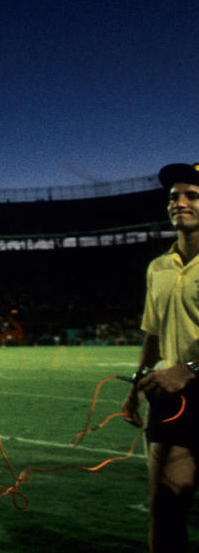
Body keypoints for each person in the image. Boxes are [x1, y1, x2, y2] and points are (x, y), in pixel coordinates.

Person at [122, 162, 199, 553]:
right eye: (174, 197)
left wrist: (189, 369)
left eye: (192, 196)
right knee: (164, 510)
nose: (180, 203)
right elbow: (152, 333)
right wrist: (137, 384)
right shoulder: (159, 268)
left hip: (188, 381)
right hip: (172, 402)